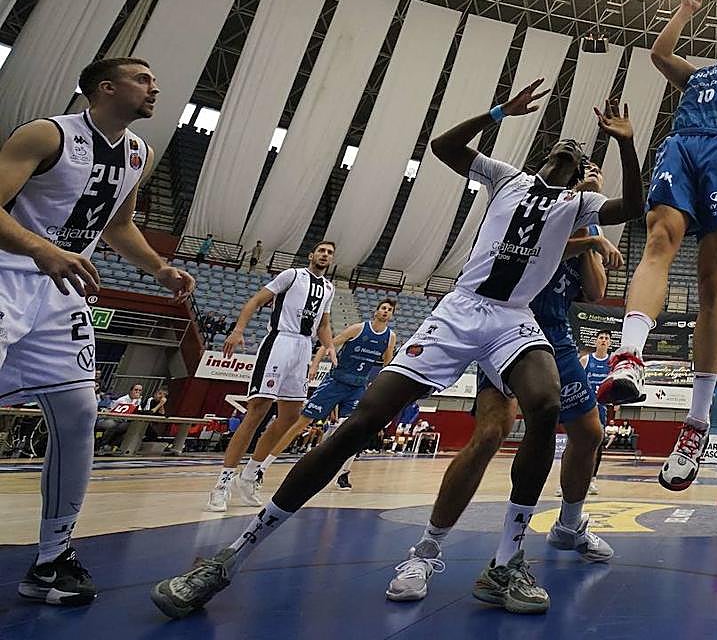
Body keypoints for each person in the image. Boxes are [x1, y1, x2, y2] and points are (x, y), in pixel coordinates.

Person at [151, 84, 642, 619]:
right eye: (559, 151)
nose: (566, 156)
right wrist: (499, 111)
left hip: (513, 319)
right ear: (543, 158)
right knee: (361, 422)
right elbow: (445, 147)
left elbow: (634, 206)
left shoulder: (579, 204)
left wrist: (626, 145)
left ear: (580, 172)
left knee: (546, 405)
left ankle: (506, 562)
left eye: (575, 157)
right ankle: (230, 557)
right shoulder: (509, 178)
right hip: (459, 310)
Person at [0, 56, 195, 605]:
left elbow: (118, 224)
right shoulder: (47, 134)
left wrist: (157, 267)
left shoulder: (139, 152)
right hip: (9, 276)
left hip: (63, 294)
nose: (155, 86)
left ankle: (51, 558)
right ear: (105, 88)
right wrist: (41, 248)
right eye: (142, 78)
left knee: (80, 413)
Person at [389, 165, 624, 603]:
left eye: (596, 171)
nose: (592, 174)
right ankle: (426, 548)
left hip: (555, 332)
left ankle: (569, 525)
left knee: (589, 432)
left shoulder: (587, 218)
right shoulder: (537, 206)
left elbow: (595, 291)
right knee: (491, 433)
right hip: (506, 325)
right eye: (584, 170)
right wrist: (588, 234)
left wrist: (591, 226)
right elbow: (539, 247)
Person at [598, 0, 717, 496]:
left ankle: (696, 423)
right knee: (657, 241)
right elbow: (657, 54)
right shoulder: (697, 77)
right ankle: (628, 357)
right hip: (683, 146)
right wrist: (684, 9)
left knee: (712, 284)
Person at [204, 242, 337, 512]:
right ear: (312, 255)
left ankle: (250, 474)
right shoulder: (292, 275)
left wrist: (330, 346)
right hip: (279, 342)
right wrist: (238, 330)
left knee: (290, 416)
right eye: (321, 250)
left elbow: (323, 324)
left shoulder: (330, 288)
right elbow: (255, 300)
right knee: (258, 410)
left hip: (303, 347)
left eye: (330, 253)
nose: (325, 254)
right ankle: (222, 483)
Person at [255, 299, 398, 492]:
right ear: (376, 311)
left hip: (357, 387)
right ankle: (262, 467)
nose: (385, 312)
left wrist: (381, 384)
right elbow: (327, 345)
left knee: (355, 432)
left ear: (392, 315)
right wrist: (313, 366)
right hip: (336, 382)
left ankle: (343, 474)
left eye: (389, 310)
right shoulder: (358, 329)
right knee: (301, 423)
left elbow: (387, 363)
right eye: (383, 308)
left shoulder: (390, 337)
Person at [580, 329, 615, 493]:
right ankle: (568, 481)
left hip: (602, 407)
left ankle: (592, 479)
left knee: (598, 443)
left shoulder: (612, 362)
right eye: (601, 337)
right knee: (577, 441)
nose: (603, 340)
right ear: (596, 341)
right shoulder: (586, 360)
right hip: (585, 405)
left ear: (609, 343)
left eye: (606, 338)